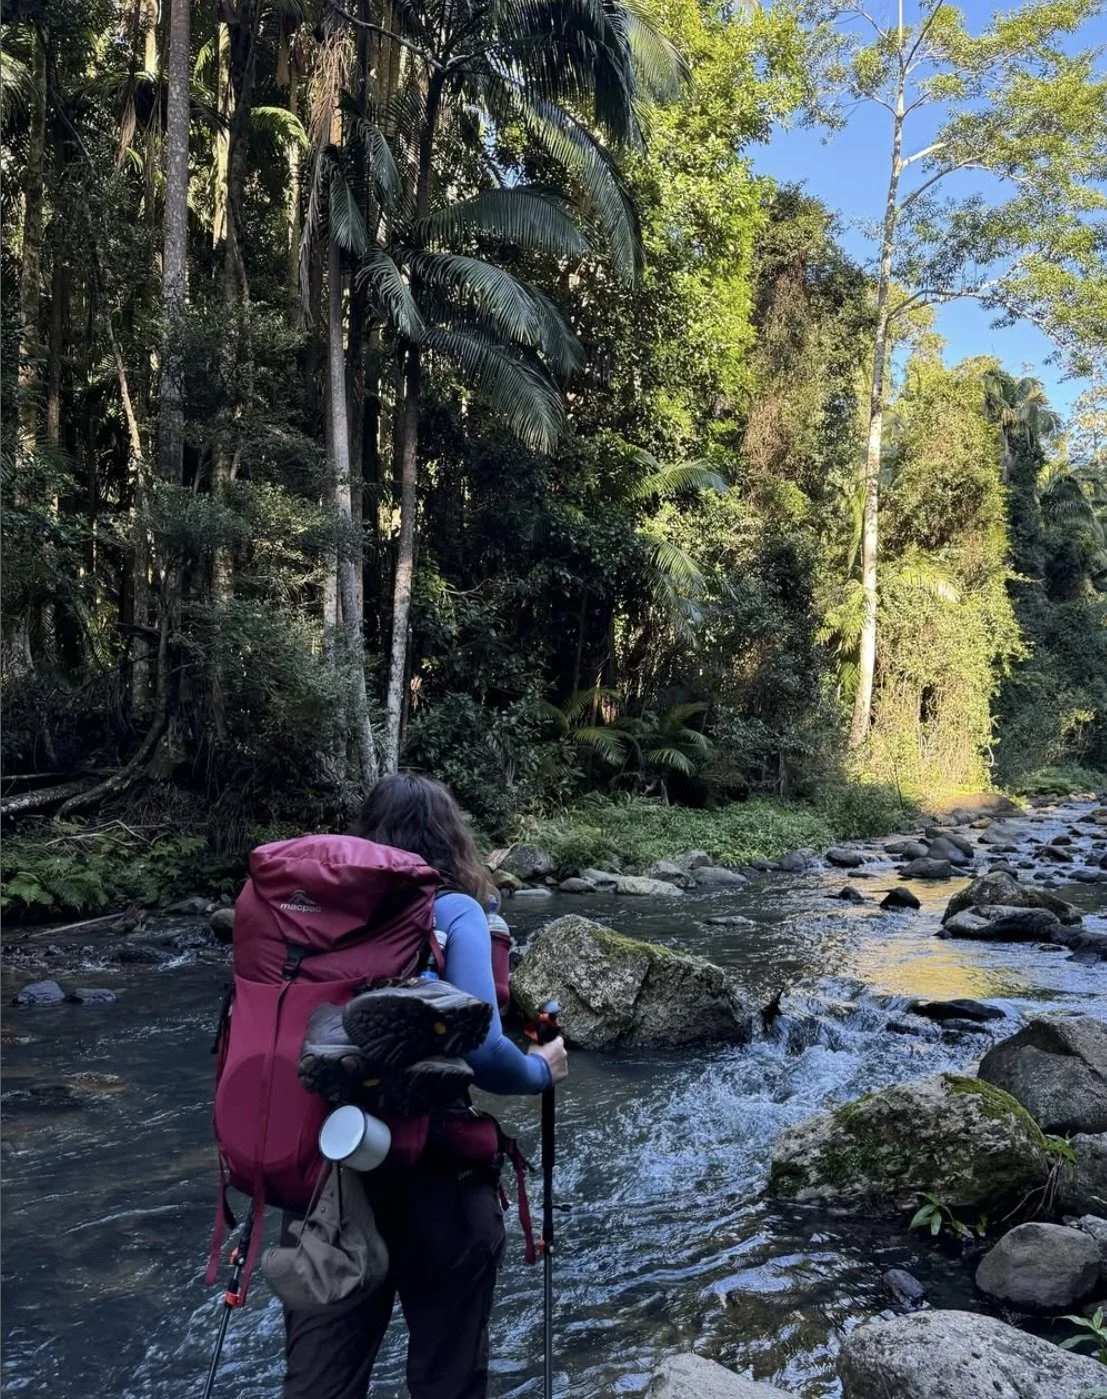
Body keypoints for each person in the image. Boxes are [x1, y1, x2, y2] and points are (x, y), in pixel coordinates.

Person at [282, 773, 569, 1399]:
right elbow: (485, 1052)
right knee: (449, 1377)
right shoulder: (453, 909)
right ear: (451, 837)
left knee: (320, 1386)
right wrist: (542, 1068)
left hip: (326, 1179)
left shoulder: (312, 924)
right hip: (435, 1177)